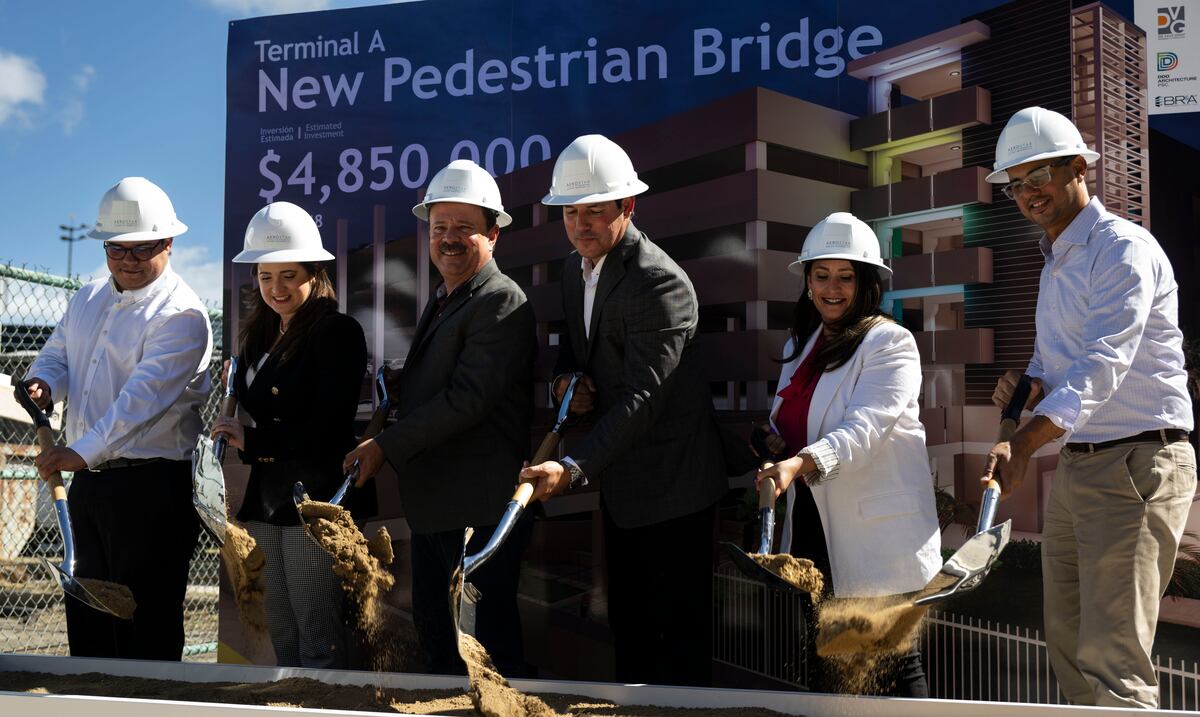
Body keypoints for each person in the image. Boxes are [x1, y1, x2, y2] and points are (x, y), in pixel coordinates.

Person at [982, 106, 1195, 709]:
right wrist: (1021, 390)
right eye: (1016, 184)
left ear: (1079, 166)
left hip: (1138, 463)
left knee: (1113, 658)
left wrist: (1022, 443)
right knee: (1070, 646)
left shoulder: (1121, 248)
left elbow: (1104, 363)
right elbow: (1057, 365)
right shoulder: (1058, 259)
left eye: (1038, 176)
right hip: (1082, 463)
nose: (1027, 194)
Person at [520, 134, 731, 687]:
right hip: (624, 487)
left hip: (675, 489)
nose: (581, 224)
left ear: (628, 208)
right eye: (570, 212)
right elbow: (576, 351)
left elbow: (642, 399)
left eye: (595, 211)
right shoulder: (575, 269)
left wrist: (569, 469)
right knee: (631, 629)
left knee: (678, 645)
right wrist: (568, 379)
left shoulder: (659, 283)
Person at [342, 160, 536, 677]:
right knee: (439, 649)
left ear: (493, 235)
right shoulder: (448, 296)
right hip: (440, 508)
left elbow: (468, 399)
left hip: (475, 513)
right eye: (439, 227)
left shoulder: (501, 301)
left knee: (482, 655)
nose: (449, 240)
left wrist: (384, 445)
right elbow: (450, 380)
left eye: (464, 228)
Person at [20, 177, 212, 660]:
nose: (127, 261)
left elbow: (139, 405)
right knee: (88, 628)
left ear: (168, 243)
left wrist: (78, 452)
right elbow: (57, 354)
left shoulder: (181, 315)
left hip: (151, 491)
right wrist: (44, 382)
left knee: (146, 630)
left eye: (141, 249)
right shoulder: (86, 298)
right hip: (90, 486)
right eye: (116, 250)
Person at [754, 211, 941, 696]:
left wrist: (798, 462)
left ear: (866, 283)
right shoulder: (803, 343)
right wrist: (777, 444)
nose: (832, 288)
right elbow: (797, 423)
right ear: (807, 281)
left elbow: (865, 429)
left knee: (894, 666)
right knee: (830, 663)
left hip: (876, 535)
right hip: (817, 530)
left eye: (845, 277)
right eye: (822, 276)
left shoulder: (890, 342)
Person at [210, 201, 368, 669]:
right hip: (265, 502)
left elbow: (328, 429)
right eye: (265, 276)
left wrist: (251, 442)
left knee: (316, 632)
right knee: (282, 627)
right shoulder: (260, 335)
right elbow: (265, 405)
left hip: (313, 502)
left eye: (288, 275)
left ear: (314, 273)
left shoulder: (337, 332)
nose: (275, 289)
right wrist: (234, 385)